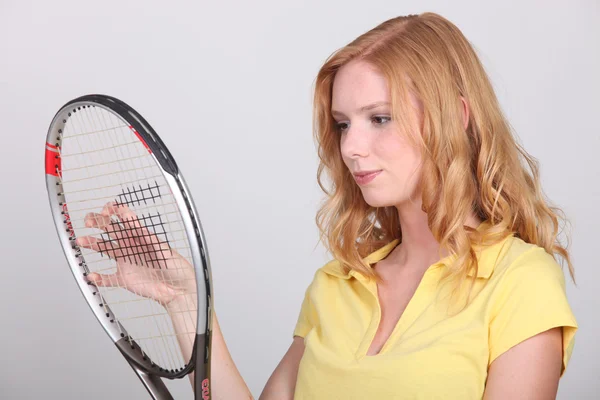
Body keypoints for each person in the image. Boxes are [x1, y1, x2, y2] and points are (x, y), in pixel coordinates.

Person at [78, 11, 578, 400]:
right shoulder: (338, 285)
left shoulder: (520, 283)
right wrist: (185, 302)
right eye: (343, 124)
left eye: (379, 118)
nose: (351, 147)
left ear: (457, 117)